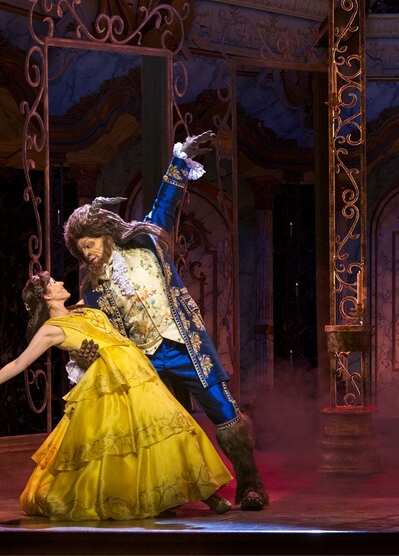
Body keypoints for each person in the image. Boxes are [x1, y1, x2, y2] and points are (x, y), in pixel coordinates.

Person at [63, 131, 269, 511]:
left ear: (104, 235)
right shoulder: (93, 291)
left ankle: (250, 484)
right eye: (80, 251)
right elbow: (99, 332)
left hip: (184, 345)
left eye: (88, 244)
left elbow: (166, 203)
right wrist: (85, 353)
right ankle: (167, 493)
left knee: (225, 412)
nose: (86, 254)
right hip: (146, 361)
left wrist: (181, 159)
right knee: (161, 427)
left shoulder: (146, 242)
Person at [0, 271, 233, 521]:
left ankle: (204, 491)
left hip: (138, 376)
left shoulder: (84, 311)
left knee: (173, 429)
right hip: (108, 386)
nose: (61, 282)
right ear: (47, 295)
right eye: (54, 282)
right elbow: (19, 363)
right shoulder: (51, 330)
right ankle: (162, 497)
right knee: (125, 449)